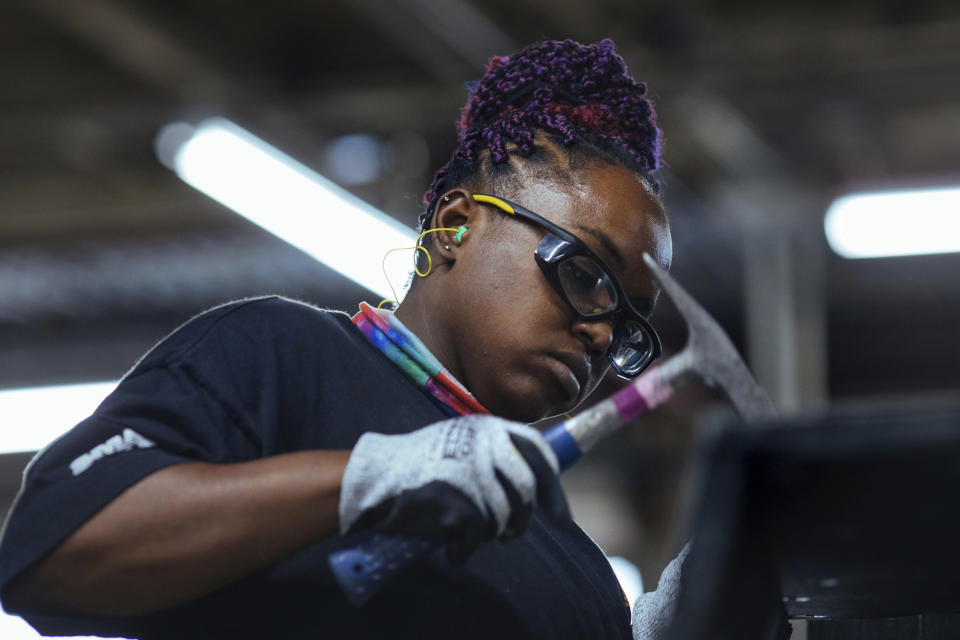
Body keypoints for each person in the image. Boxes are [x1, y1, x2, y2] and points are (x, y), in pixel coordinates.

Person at [0, 38, 676, 639]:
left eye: (627, 324)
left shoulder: (568, 554)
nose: (600, 333)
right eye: (586, 273)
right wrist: (369, 479)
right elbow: (53, 553)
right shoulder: (280, 358)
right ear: (456, 226)